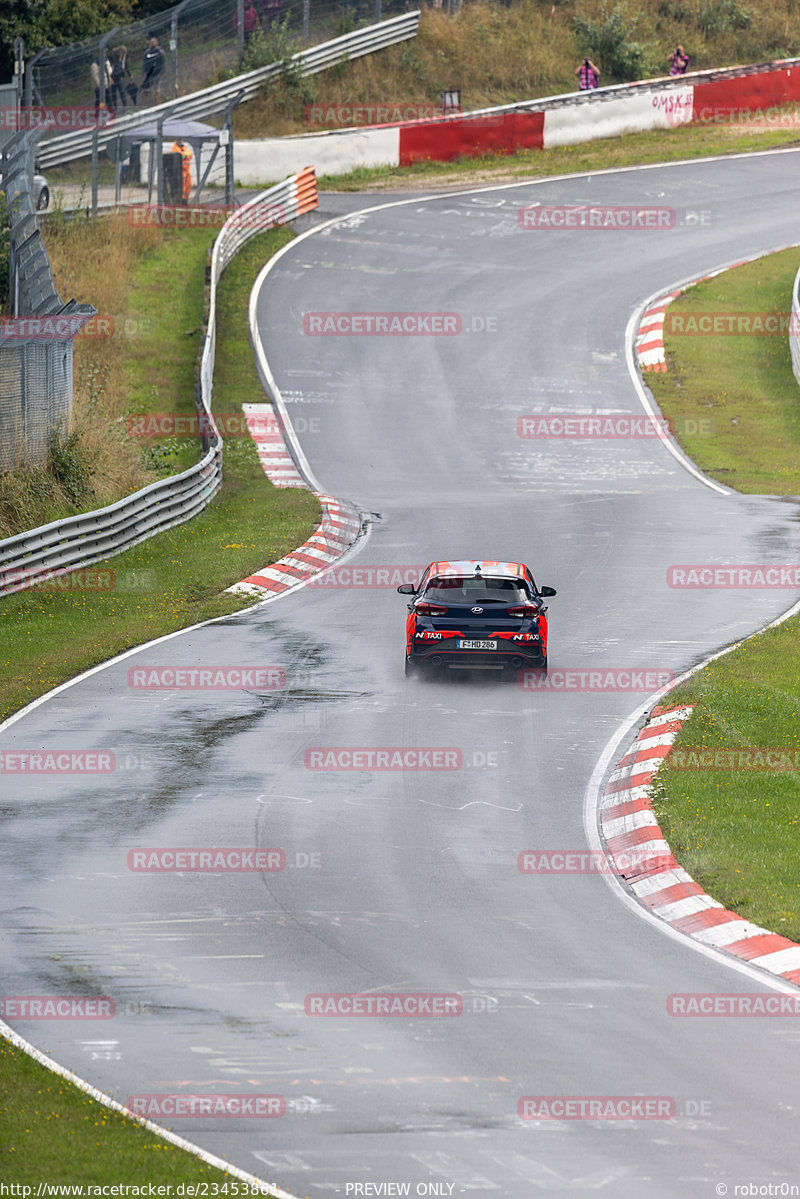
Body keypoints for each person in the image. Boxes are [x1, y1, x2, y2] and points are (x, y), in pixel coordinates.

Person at [140, 33, 167, 106]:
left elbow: (164, 63)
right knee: (144, 90)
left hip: (156, 75)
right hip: (148, 75)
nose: (152, 43)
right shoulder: (147, 52)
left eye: (153, 42)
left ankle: (157, 106)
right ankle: (143, 106)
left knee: (156, 91)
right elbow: (144, 63)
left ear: (157, 42)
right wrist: (144, 73)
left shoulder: (160, 52)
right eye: (151, 42)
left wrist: (160, 74)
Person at [108, 46, 131, 110]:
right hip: (113, 75)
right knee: (113, 92)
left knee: (122, 90)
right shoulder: (113, 56)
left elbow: (126, 66)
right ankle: (115, 107)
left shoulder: (123, 57)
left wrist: (129, 75)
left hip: (120, 75)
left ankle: (125, 105)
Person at [171, 138, 193, 204]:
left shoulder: (185, 147)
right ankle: (181, 200)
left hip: (187, 169)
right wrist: (185, 155)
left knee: (189, 185)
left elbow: (190, 155)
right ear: (175, 140)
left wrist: (184, 155)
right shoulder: (174, 148)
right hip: (180, 170)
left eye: (180, 140)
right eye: (178, 140)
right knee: (181, 186)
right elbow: (180, 156)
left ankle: (185, 199)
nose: (180, 141)